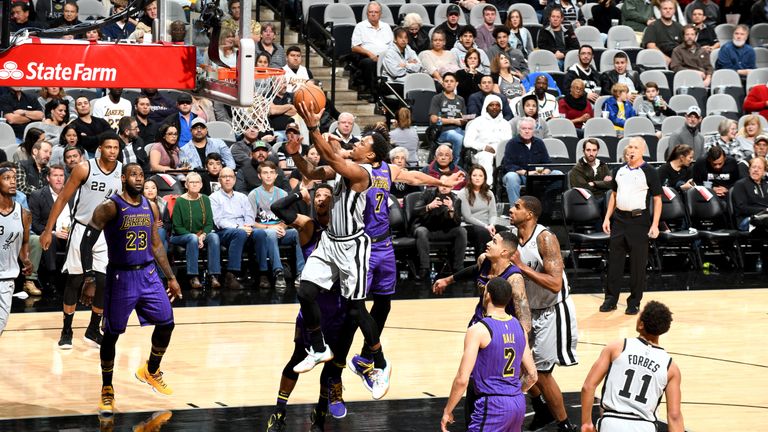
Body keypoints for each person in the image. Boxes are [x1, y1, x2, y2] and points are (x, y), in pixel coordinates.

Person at [286, 102, 392, 399]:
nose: (356, 142)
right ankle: (319, 347)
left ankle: (379, 363)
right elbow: (309, 170)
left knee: (357, 310)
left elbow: (331, 156)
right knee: (305, 292)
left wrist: (313, 127)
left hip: (353, 247)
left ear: (370, 155)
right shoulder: (340, 168)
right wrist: (295, 153)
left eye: (362, 142)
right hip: (331, 241)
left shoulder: (361, 173)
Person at [82, 163, 181, 417]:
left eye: (142, 175)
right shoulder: (110, 206)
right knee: (112, 334)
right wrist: (90, 277)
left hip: (148, 274)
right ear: (123, 178)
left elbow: (157, 245)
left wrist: (170, 277)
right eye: (133, 175)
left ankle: (151, 369)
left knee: (167, 322)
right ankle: (107, 388)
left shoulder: (150, 206)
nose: (138, 179)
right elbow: (87, 241)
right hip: (120, 276)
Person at [266, 184, 348, 431]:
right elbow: (277, 207)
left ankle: (320, 415)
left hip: (339, 305)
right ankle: (279, 412)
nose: (321, 198)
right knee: (297, 357)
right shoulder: (308, 225)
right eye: (317, 196)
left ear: (335, 202)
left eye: (326, 195)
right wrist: (299, 194)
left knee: (332, 365)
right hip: (313, 308)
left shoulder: (345, 227)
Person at [40, 132, 123, 349]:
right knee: (75, 281)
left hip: (106, 233)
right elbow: (62, 198)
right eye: (108, 147)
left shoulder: (122, 171)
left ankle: (93, 329)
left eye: (116, 147)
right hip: (82, 229)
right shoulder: (85, 168)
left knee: (104, 282)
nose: (112, 151)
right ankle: (67, 329)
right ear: (100, 148)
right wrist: (48, 230)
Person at [508, 196, 579, 432]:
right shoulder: (513, 238)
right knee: (521, 365)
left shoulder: (545, 238)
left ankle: (565, 425)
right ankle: (541, 410)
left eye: (517, 207)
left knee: (541, 373)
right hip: (529, 311)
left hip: (553, 311)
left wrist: (523, 268)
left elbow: (555, 283)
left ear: (529, 214)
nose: (511, 209)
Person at [439, 277, 536, 432]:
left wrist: (447, 410)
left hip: (492, 405)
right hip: (518, 402)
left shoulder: (478, 330)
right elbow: (532, 375)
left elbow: (462, 379)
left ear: (488, 295)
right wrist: (512, 394)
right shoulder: (520, 328)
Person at [581, 301, 684, 432]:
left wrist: (586, 423)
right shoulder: (671, 368)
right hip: (645, 426)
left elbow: (588, 386)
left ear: (641, 325)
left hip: (612, 423)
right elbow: (674, 416)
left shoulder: (617, 348)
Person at [601, 137, 662, 315]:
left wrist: (655, 224)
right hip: (619, 220)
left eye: (635, 147)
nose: (631, 150)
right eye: (629, 147)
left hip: (639, 220)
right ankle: (610, 299)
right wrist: (607, 218)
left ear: (642, 150)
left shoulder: (650, 171)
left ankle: (634, 302)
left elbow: (658, 200)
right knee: (615, 262)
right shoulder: (619, 170)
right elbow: (613, 195)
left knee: (637, 264)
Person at [248, 160, 302, 290]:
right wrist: (270, 227)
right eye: (265, 173)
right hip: (262, 232)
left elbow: (288, 219)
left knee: (298, 233)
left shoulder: (283, 194)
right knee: (271, 234)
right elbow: (250, 222)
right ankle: (279, 272)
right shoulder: (253, 194)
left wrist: (283, 227)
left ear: (276, 175)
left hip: (280, 231)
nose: (268, 176)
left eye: (271, 173)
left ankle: (302, 272)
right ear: (259, 176)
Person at [210, 167, 262, 290]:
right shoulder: (214, 197)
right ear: (219, 180)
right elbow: (218, 221)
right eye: (224, 177)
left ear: (235, 179)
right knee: (239, 233)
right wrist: (240, 228)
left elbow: (249, 215)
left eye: (231, 177)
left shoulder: (242, 197)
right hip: (223, 232)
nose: (228, 179)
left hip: (244, 230)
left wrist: (247, 227)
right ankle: (231, 274)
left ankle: (262, 274)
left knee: (260, 234)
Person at [170, 172, 220, 289]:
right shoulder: (179, 201)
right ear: (186, 185)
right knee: (192, 238)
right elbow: (177, 226)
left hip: (200, 235)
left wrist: (203, 235)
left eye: (197, 182)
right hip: (181, 236)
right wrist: (196, 237)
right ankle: (193, 276)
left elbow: (209, 223)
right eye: (191, 182)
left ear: (201, 184)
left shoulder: (206, 200)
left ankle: (213, 275)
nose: (194, 184)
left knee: (214, 237)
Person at [411, 179, 468, 281]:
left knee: (461, 231)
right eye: (442, 184)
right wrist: (429, 206)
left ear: (452, 187)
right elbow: (414, 211)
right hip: (427, 229)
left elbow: (457, 223)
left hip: (445, 231)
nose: (444, 187)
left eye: (447, 185)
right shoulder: (427, 193)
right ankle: (425, 268)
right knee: (421, 231)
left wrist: (451, 209)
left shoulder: (456, 200)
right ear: (437, 184)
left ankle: (458, 268)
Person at [0, 166, 33, 335]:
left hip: (7, 277)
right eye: (6, 178)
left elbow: (24, 242)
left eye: (14, 178)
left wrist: (26, 260)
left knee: (1, 322)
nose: (12, 181)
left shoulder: (24, 213)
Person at [501, 118, 562, 204]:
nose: (527, 131)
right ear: (519, 130)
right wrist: (527, 173)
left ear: (534, 130)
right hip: (521, 176)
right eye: (524, 128)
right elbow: (508, 165)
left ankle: (547, 206)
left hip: (538, 175)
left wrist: (544, 173)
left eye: (529, 129)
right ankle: (515, 209)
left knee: (558, 174)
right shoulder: (512, 144)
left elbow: (548, 163)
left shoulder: (539, 143)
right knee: (511, 176)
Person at [463, 95, 512, 184]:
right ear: (486, 107)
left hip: (500, 152)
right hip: (481, 152)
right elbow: (467, 142)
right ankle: (487, 187)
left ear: (501, 108)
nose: (494, 107)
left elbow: (508, 143)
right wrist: (484, 147)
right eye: (491, 105)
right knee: (486, 157)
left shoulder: (506, 124)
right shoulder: (477, 122)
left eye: (497, 105)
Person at [456, 165, 504, 256]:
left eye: (480, 176)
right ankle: (482, 264)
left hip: (488, 226)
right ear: (470, 177)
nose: (477, 178)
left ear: (484, 178)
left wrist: (492, 225)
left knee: (505, 232)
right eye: (474, 175)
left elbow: (493, 213)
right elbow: (467, 217)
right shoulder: (463, 193)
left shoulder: (489, 193)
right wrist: (486, 226)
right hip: (470, 226)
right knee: (483, 233)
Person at [351, 1, 394, 100]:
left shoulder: (386, 27)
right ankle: (373, 93)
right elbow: (354, 47)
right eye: (371, 12)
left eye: (376, 12)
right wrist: (370, 54)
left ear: (380, 14)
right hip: (367, 57)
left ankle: (390, 92)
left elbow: (392, 45)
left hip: (385, 57)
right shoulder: (360, 26)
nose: (373, 14)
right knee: (369, 63)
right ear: (367, 14)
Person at [429, 72, 467, 166]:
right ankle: (454, 166)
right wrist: (453, 121)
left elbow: (464, 119)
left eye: (451, 81)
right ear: (443, 83)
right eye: (446, 81)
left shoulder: (461, 99)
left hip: (459, 130)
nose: (449, 83)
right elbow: (433, 119)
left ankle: (467, 165)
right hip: (442, 132)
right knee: (458, 138)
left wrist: (466, 120)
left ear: (456, 84)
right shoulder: (437, 98)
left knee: (470, 137)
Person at [382, 27, 424, 96]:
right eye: (401, 37)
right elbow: (395, 72)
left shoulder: (409, 49)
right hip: (393, 83)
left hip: (408, 80)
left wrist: (405, 65)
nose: (403, 40)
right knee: (412, 89)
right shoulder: (389, 53)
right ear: (395, 39)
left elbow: (419, 66)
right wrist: (410, 65)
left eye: (405, 38)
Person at [731, 157, 768, 231]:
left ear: (764, 172)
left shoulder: (766, 184)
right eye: (753, 167)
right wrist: (764, 210)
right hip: (746, 219)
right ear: (749, 169)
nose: (756, 170)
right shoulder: (740, 184)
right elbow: (741, 208)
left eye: (759, 168)